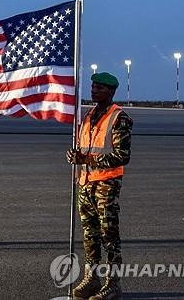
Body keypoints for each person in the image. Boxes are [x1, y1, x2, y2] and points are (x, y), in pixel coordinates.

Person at [66, 72, 133, 300]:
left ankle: (113, 285)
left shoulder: (119, 118)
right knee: (90, 235)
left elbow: (122, 155)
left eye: (100, 88)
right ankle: (92, 279)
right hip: (85, 184)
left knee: (109, 237)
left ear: (111, 92)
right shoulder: (88, 116)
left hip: (106, 186)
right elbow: (86, 147)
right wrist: (75, 156)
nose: (94, 90)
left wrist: (88, 160)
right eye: (93, 86)